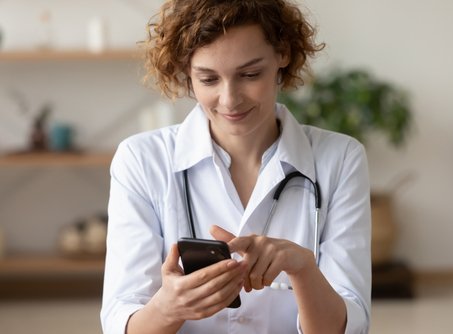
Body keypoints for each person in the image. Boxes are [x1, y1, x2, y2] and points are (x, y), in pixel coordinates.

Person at [100, 0, 371, 333]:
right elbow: (122, 322)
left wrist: (303, 270)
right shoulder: (141, 160)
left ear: (282, 54)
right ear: (187, 71)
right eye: (208, 79)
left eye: (250, 74)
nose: (229, 100)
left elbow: (346, 326)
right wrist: (169, 307)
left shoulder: (340, 159)